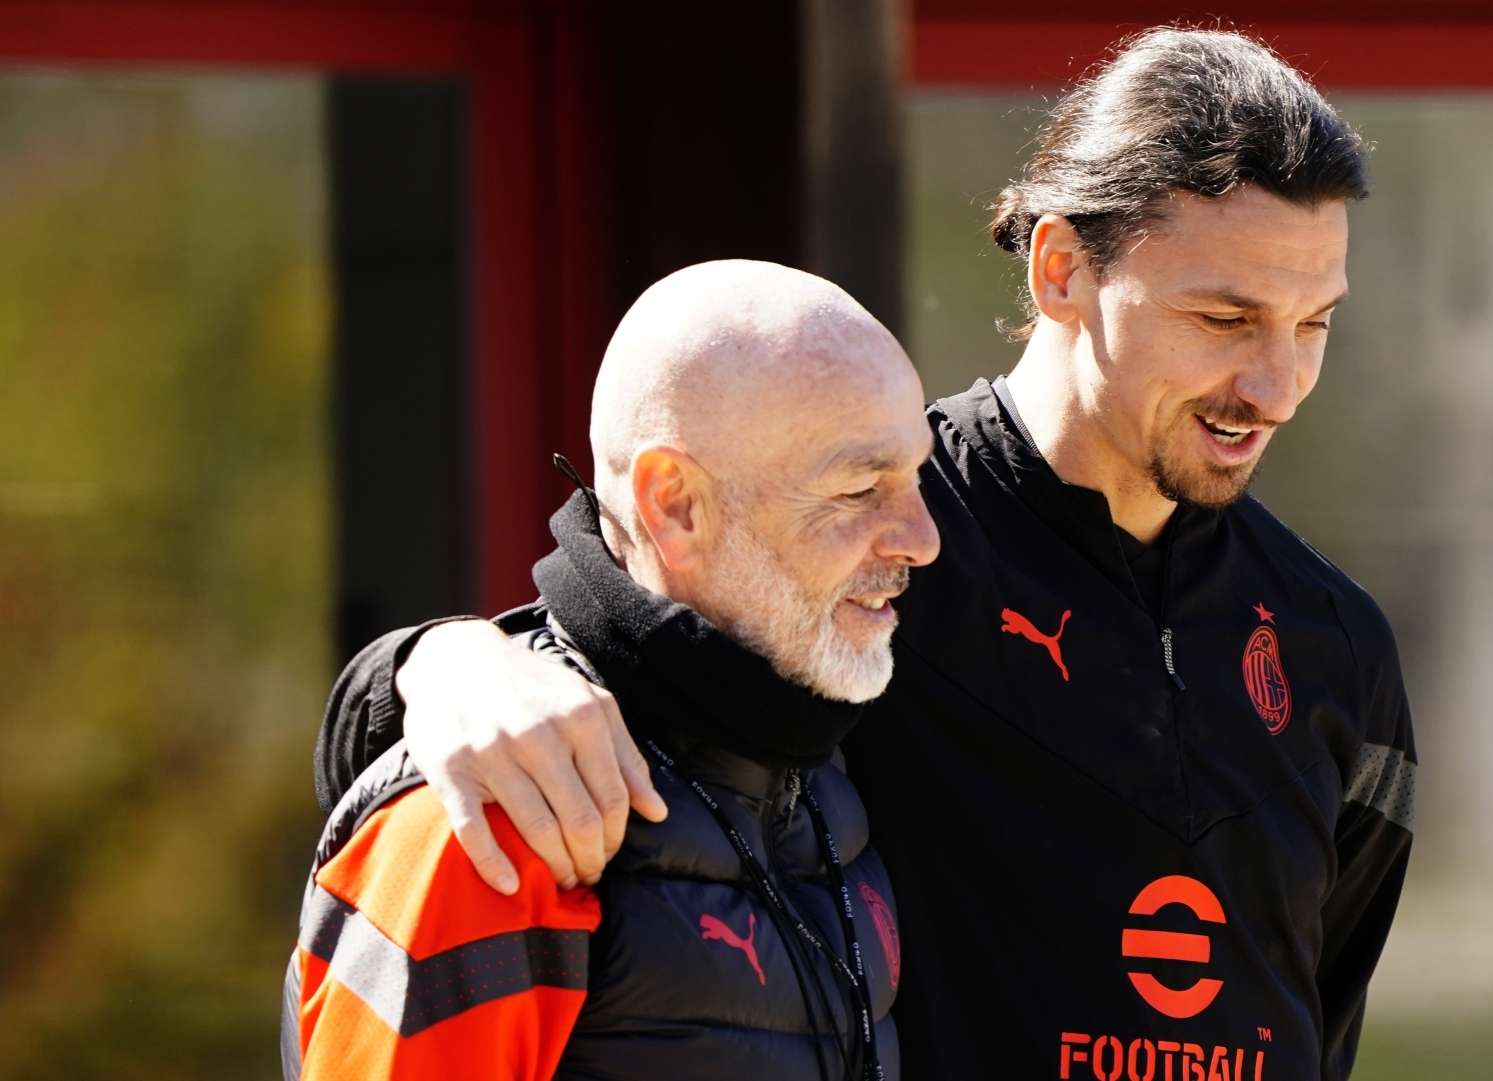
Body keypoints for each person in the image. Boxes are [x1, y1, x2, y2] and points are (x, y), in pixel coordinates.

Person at [315, 27, 1417, 1080]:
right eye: (1225, 319)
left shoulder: (1337, 645)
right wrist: (435, 664)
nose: (1275, 385)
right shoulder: (868, 538)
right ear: (1059, 271)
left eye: (1313, 322)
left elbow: (1320, 1018)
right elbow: (614, 651)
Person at [283, 260, 937, 1080]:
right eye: (860, 487)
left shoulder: (817, 755)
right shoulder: (490, 809)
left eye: (916, 475)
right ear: (675, 505)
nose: (921, 536)